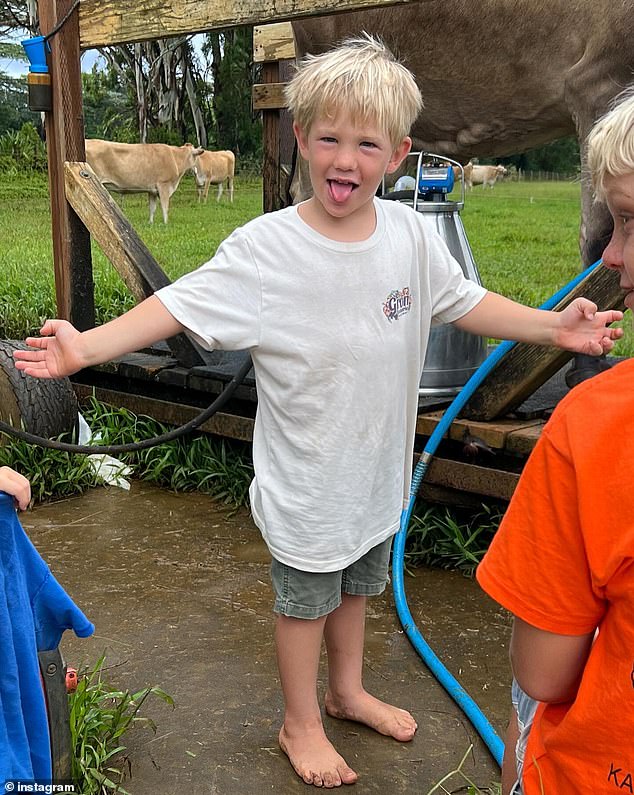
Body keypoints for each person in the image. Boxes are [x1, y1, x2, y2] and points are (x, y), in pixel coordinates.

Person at [14, 35, 623, 789]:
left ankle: (348, 689)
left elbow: (463, 301)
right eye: (328, 138)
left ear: (398, 152)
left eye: (366, 143)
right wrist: (84, 349)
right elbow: (177, 304)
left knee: (360, 587)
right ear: (300, 137)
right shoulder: (265, 249)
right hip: (307, 483)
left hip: (375, 470)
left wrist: (550, 325)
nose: (345, 160)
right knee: (305, 604)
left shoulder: (406, 234)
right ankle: (299, 718)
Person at [476, 88, 634, 795]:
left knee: (528, 692)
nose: (611, 254)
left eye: (629, 221)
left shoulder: (595, 424)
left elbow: (543, 672)